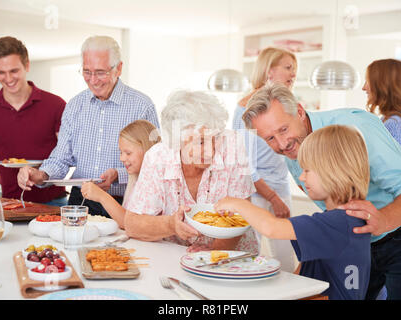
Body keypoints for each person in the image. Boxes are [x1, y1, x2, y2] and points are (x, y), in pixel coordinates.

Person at [241, 81, 401, 300]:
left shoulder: (354, 127)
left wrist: (384, 220)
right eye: (270, 138)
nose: (281, 144)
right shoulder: (294, 149)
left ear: (300, 112)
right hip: (359, 241)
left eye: (283, 129)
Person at [216, 125, 371, 300]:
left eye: (307, 170)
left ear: (332, 171)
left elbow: (271, 227)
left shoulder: (338, 223)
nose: (302, 178)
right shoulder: (344, 220)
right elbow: (306, 270)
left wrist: (236, 203)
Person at [17, 35, 160, 217]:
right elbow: (61, 158)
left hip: (124, 202)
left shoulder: (142, 106)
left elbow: (154, 164)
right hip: (80, 200)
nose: (93, 80)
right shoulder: (75, 105)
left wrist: (118, 175)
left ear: (119, 69)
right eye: (87, 72)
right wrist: (41, 175)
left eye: (100, 72)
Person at [125, 90, 257, 252]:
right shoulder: (157, 158)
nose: (210, 151)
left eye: (215, 138)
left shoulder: (233, 149)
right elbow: (133, 225)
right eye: (200, 142)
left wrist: (213, 253)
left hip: (232, 259)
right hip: (176, 258)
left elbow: (243, 215)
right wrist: (171, 225)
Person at [0, 36, 67, 205]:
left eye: (14, 71)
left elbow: (66, 156)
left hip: (54, 203)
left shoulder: (56, 105)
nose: (8, 78)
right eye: (1, 72)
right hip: (9, 204)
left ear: (27, 65)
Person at [232, 47, 296, 271]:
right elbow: (244, 166)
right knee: (249, 254)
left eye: (294, 69)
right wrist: (273, 198)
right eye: (288, 68)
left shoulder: (285, 106)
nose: (293, 74)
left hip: (280, 187)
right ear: (269, 71)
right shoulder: (245, 108)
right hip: (255, 191)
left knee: (287, 256)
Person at [80, 120, 161, 228]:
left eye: (128, 153)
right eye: (121, 152)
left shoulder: (155, 183)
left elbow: (131, 224)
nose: (121, 158)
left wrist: (101, 196)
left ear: (147, 150)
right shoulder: (137, 180)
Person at [363, 58, 401, 160]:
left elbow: (380, 168)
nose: (364, 87)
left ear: (383, 85)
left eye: (368, 81)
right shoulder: (396, 121)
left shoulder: (394, 124)